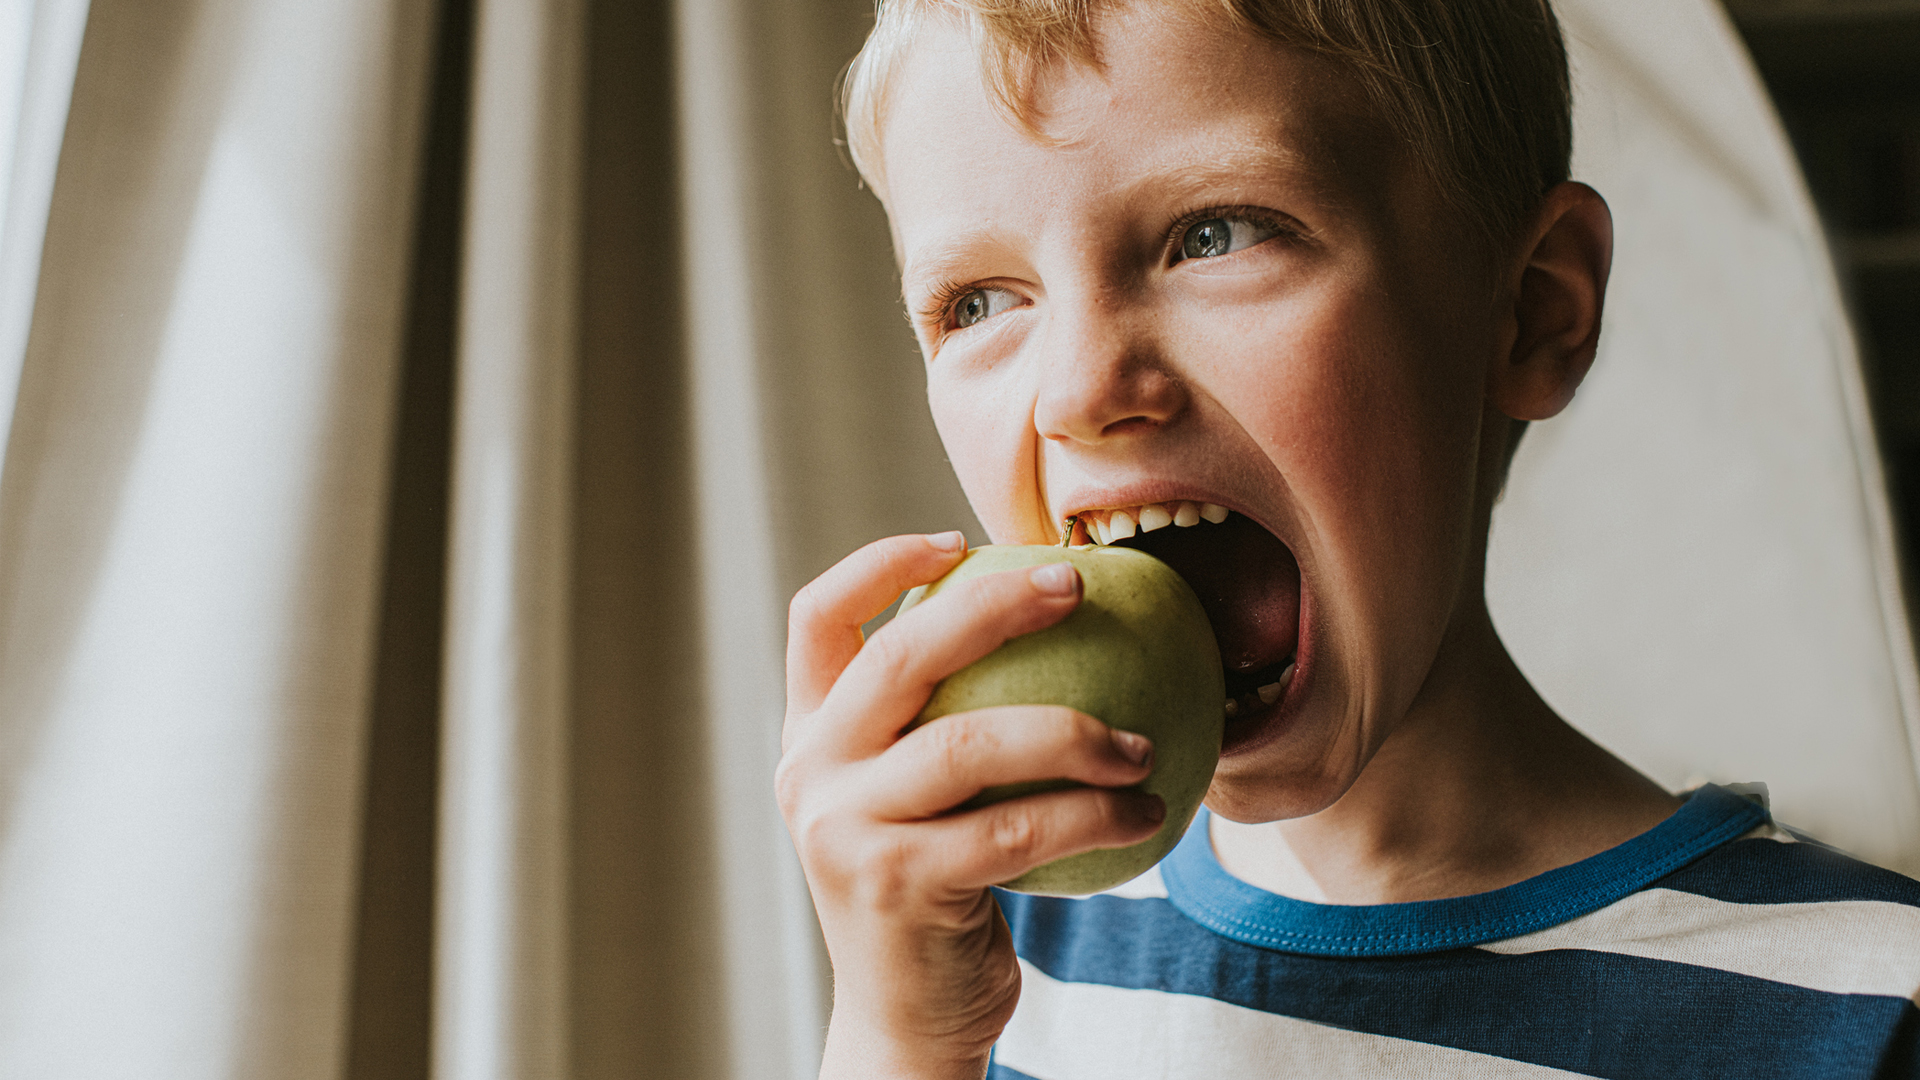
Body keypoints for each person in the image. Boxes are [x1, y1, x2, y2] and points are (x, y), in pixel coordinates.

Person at [774, 1, 1920, 1076]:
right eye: (977, 301)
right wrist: (894, 1037)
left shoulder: (1865, 1008)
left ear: (1531, 309)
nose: (1077, 390)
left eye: (1213, 233)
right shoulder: (998, 952)